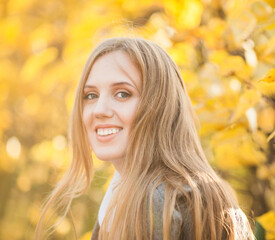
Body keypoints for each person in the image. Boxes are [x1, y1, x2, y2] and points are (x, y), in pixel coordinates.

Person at [35, 37, 254, 240]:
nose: (99, 110)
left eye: (123, 94)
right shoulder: (129, 189)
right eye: (91, 95)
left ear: (160, 106)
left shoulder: (156, 199)